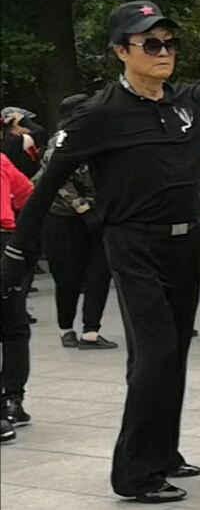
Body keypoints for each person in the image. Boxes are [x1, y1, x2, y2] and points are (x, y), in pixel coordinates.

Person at [5, 1, 200, 502]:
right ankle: (134, 473)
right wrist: (16, 254)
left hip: (186, 243)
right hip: (133, 243)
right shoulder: (98, 114)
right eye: (150, 44)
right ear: (121, 51)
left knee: (174, 351)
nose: (163, 52)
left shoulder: (188, 104)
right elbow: (46, 183)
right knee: (157, 353)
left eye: (168, 42)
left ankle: (163, 451)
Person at [35, 95, 116, 350]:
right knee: (68, 276)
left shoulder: (103, 137)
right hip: (63, 217)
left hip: (99, 213)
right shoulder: (58, 142)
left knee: (100, 274)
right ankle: (66, 328)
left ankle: (91, 331)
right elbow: (57, 179)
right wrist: (82, 208)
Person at [1, 152, 33, 442]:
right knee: (13, 328)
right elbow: (27, 194)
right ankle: (13, 400)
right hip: (5, 245)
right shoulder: (1, 161)